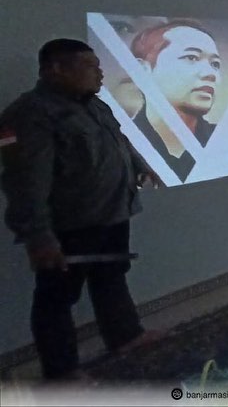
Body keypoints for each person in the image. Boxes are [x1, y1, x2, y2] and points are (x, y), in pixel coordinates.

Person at [0, 39, 160, 380]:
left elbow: (118, 140)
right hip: (69, 225)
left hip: (112, 213)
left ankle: (126, 337)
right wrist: (40, 237)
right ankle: (62, 372)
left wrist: (139, 164)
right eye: (90, 66)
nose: (99, 74)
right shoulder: (30, 114)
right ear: (56, 69)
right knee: (57, 297)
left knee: (111, 277)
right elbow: (25, 181)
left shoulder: (95, 105)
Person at [129, 19, 221, 181]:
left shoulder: (227, 140)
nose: (211, 73)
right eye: (192, 57)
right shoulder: (120, 143)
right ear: (142, 70)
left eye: (215, 64)